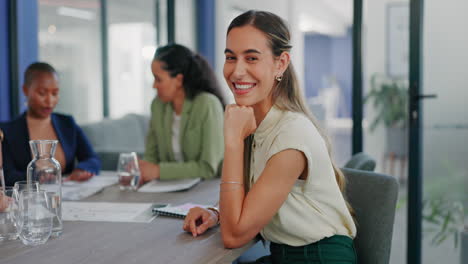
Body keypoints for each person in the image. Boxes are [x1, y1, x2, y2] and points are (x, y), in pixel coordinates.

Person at [183, 10, 357, 263]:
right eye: (231, 57)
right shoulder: (258, 122)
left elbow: (234, 236)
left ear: (280, 64)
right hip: (283, 255)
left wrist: (233, 143)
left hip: (319, 258)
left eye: (251, 58)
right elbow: (253, 199)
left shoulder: (291, 133)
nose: (237, 71)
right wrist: (215, 213)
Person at [0, 62, 100, 187]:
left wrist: (82, 169)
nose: (50, 101)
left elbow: (92, 159)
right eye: (42, 93)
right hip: (29, 198)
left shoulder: (67, 123)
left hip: (67, 195)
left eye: (55, 93)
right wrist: (36, 176)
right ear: (25, 90)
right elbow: (7, 175)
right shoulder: (7, 131)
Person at [139, 44, 225, 183]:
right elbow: (151, 157)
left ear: (179, 79)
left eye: (158, 79)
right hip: (168, 188)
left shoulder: (207, 104)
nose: (154, 86)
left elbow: (208, 168)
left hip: (205, 188)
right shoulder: (157, 106)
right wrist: (143, 170)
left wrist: (157, 171)